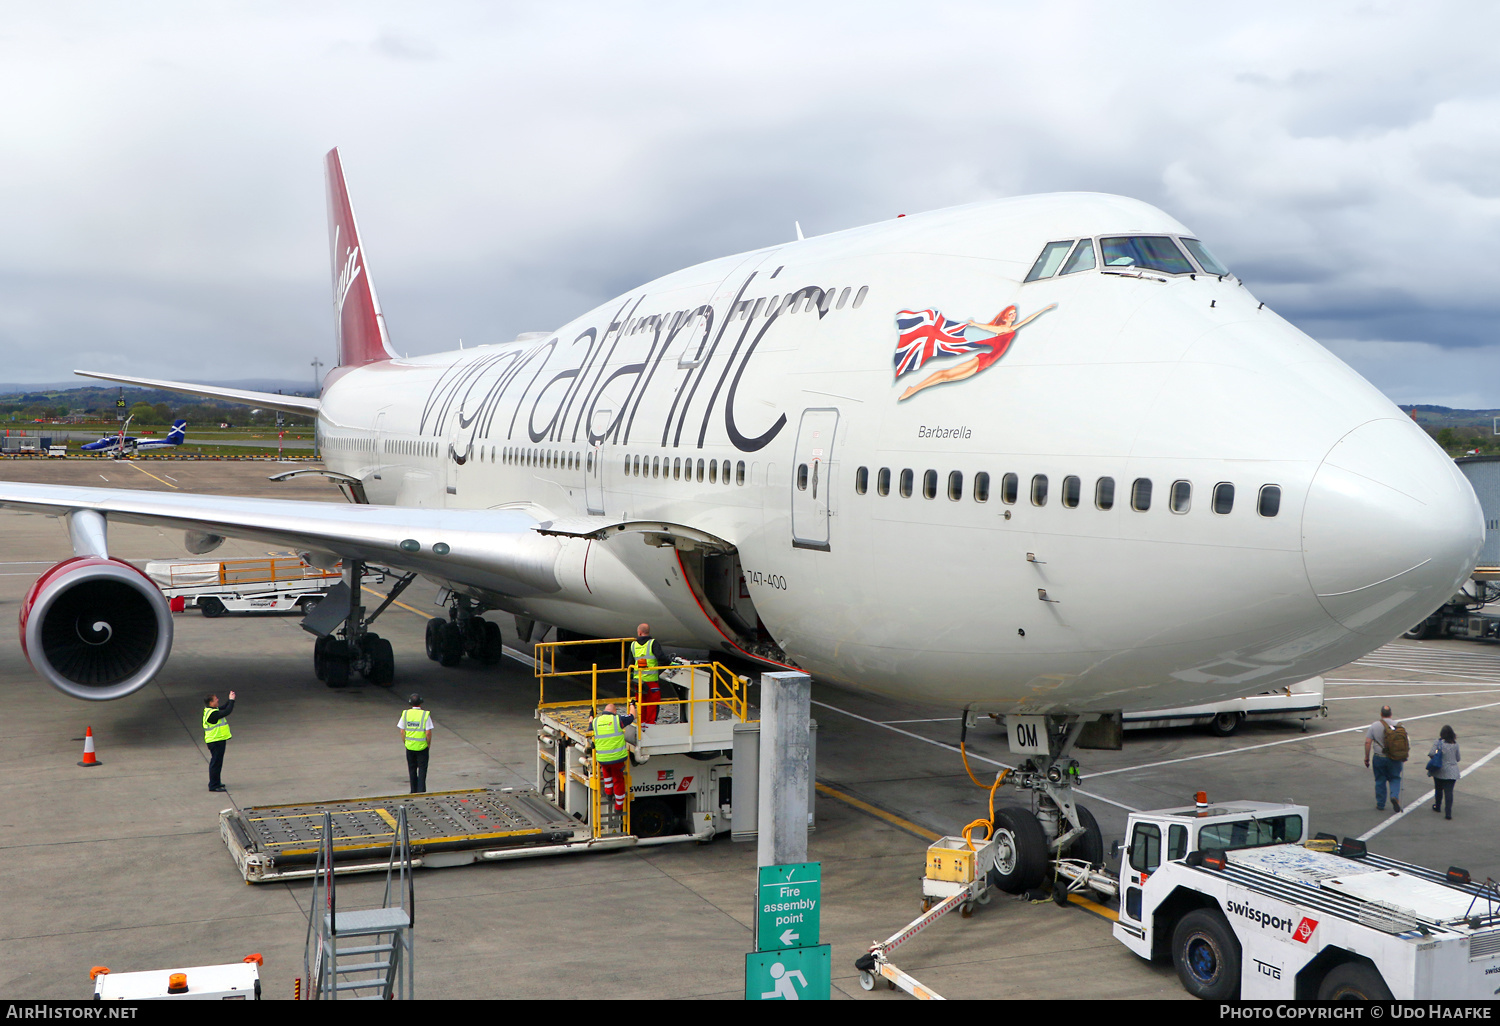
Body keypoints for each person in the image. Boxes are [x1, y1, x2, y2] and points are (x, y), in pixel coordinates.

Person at [897, 303, 1056, 401]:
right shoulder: (1001, 329)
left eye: (1014, 313)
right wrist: (975, 324)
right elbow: (988, 328)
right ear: (1005, 316)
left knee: (946, 377)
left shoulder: (1010, 328)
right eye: (1011, 313)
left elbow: (1026, 320)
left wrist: (1043, 310)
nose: (1014, 315)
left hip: (985, 363)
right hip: (983, 360)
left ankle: (914, 389)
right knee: (946, 374)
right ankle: (914, 389)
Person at [591, 701, 636, 818]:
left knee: (607, 773)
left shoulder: (596, 721)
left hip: (602, 758)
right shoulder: (617, 720)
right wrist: (632, 705)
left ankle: (609, 794)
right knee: (618, 780)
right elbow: (632, 716)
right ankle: (618, 807)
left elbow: (590, 725)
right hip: (617, 759)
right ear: (614, 712)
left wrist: (591, 715)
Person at [1364, 705, 1407, 813]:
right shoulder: (1399, 726)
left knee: (1380, 780)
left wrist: (1366, 758)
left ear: (1381, 714)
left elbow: (1367, 742)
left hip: (1379, 757)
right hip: (1395, 758)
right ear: (1391, 714)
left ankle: (1380, 804)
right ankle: (1394, 796)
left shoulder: (1374, 726)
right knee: (1395, 778)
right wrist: (1404, 756)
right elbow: (1405, 743)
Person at [398, 694, 434, 794]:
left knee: (412, 769)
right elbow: (428, 732)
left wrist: (405, 742)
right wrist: (428, 744)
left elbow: (402, 731)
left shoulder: (405, 714)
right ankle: (421, 791)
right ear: (420, 703)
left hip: (409, 747)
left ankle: (413, 791)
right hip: (422, 747)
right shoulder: (425, 715)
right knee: (422, 769)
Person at [203, 691, 236, 792]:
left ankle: (217, 782)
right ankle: (213, 785)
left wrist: (229, 699)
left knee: (218, 762)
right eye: (215, 699)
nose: (217, 699)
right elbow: (227, 711)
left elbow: (224, 707)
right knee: (216, 763)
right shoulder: (212, 714)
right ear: (211, 702)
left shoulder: (211, 710)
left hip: (218, 740)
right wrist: (231, 700)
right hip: (215, 741)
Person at [631, 623, 662, 726]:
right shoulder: (653, 643)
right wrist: (670, 664)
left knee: (641, 703)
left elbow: (629, 663)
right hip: (651, 680)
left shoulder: (633, 645)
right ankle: (650, 724)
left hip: (638, 680)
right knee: (652, 704)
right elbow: (661, 658)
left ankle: (642, 723)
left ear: (639, 632)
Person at [1428, 725, 1461, 820]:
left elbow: (1431, 753)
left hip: (1440, 770)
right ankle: (1448, 813)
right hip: (1452, 771)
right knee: (1449, 792)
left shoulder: (1439, 743)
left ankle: (1437, 806)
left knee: (1438, 789)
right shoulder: (1455, 744)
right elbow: (1458, 758)